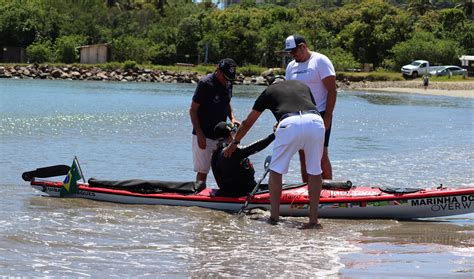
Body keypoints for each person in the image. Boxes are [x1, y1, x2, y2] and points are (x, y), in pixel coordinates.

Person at [223, 79, 325, 229]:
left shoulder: (268, 91)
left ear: (272, 84)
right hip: (316, 122)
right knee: (315, 171)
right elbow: (304, 110)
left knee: (276, 171)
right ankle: (313, 220)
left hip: (289, 123)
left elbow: (247, 123)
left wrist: (234, 143)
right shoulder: (303, 85)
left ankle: (274, 217)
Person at [283, 34, 337, 181]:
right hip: (298, 115)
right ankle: (306, 189)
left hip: (320, 114)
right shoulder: (291, 67)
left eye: (294, 51)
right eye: (290, 53)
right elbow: (289, 93)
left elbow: (332, 91)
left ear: (303, 46)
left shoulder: (320, 61)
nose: (292, 55)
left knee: (321, 155)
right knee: (302, 154)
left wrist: (327, 117)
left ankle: (327, 191)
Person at [189, 58, 240, 185]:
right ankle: (198, 195)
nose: (227, 81)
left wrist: (232, 118)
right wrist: (200, 133)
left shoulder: (229, 83)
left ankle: (228, 194)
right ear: (218, 70)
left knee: (229, 165)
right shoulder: (205, 83)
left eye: (230, 78)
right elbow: (193, 110)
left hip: (222, 133)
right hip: (204, 134)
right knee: (203, 170)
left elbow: (227, 103)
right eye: (225, 77)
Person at [211, 122, 275, 197]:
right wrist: (274, 135)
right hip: (243, 193)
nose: (237, 135)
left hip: (228, 191)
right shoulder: (229, 152)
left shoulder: (216, 153)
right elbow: (255, 147)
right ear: (230, 136)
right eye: (235, 132)